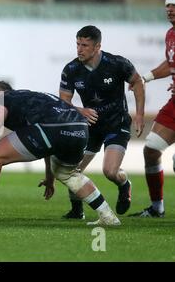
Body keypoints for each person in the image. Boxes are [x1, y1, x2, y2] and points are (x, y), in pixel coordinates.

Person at [0, 81, 121, 226]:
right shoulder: (32, 98)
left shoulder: (5, 98)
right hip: (80, 130)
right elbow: (48, 145)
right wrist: (50, 177)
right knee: (68, 173)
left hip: (53, 128)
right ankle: (107, 215)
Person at [59, 25, 145, 219]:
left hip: (117, 123)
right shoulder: (71, 69)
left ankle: (124, 184)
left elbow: (138, 82)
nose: (79, 49)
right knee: (73, 170)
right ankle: (76, 210)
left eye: (85, 45)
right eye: (78, 44)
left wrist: (139, 115)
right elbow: (64, 101)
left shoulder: (117, 63)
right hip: (90, 126)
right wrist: (80, 110)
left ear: (98, 46)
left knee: (110, 171)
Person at [130, 0, 175, 218]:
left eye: (174, 6)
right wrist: (144, 77)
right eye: (168, 6)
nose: (170, 10)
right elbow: (170, 64)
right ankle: (157, 207)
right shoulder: (170, 34)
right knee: (151, 150)